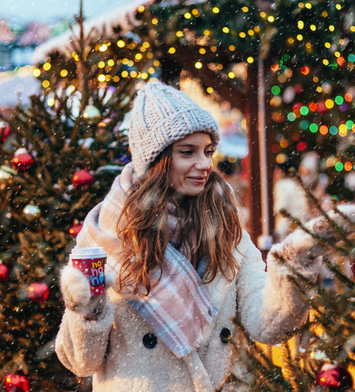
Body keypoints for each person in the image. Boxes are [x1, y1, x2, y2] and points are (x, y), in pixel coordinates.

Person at [56, 81, 324, 391]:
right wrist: (88, 309)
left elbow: (268, 325)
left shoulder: (226, 225)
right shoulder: (105, 234)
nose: (205, 164)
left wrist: (294, 263)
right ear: (155, 161)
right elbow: (80, 362)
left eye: (208, 151)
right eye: (188, 152)